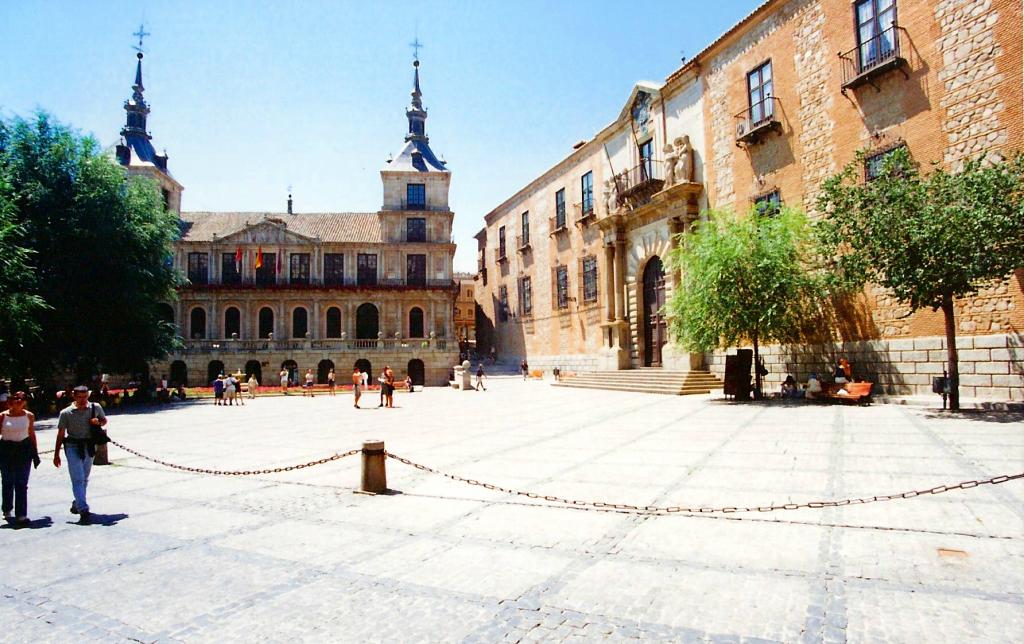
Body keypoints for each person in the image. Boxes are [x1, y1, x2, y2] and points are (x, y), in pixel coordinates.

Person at [54, 385, 107, 524]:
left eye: (85, 396)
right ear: (74, 396)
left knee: (84, 477)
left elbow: (104, 420)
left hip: (89, 445)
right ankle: (83, 509)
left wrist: (98, 421)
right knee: (77, 478)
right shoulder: (66, 413)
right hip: (72, 446)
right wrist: (56, 454)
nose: (83, 400)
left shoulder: (95, 407)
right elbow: (60, 434)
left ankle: (77, 501)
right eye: (79, 397)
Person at [1, 391, 38, 526]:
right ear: (11, 401)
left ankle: (21, 515)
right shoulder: (3, 416)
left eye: (22, 400)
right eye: (16, 399)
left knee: (21, 483)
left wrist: (35, 453)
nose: (19, 402)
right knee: (7, 481)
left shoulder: (29, 416)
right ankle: (7, 509)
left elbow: (31, 434)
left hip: (23, 450)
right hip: (6, 450)